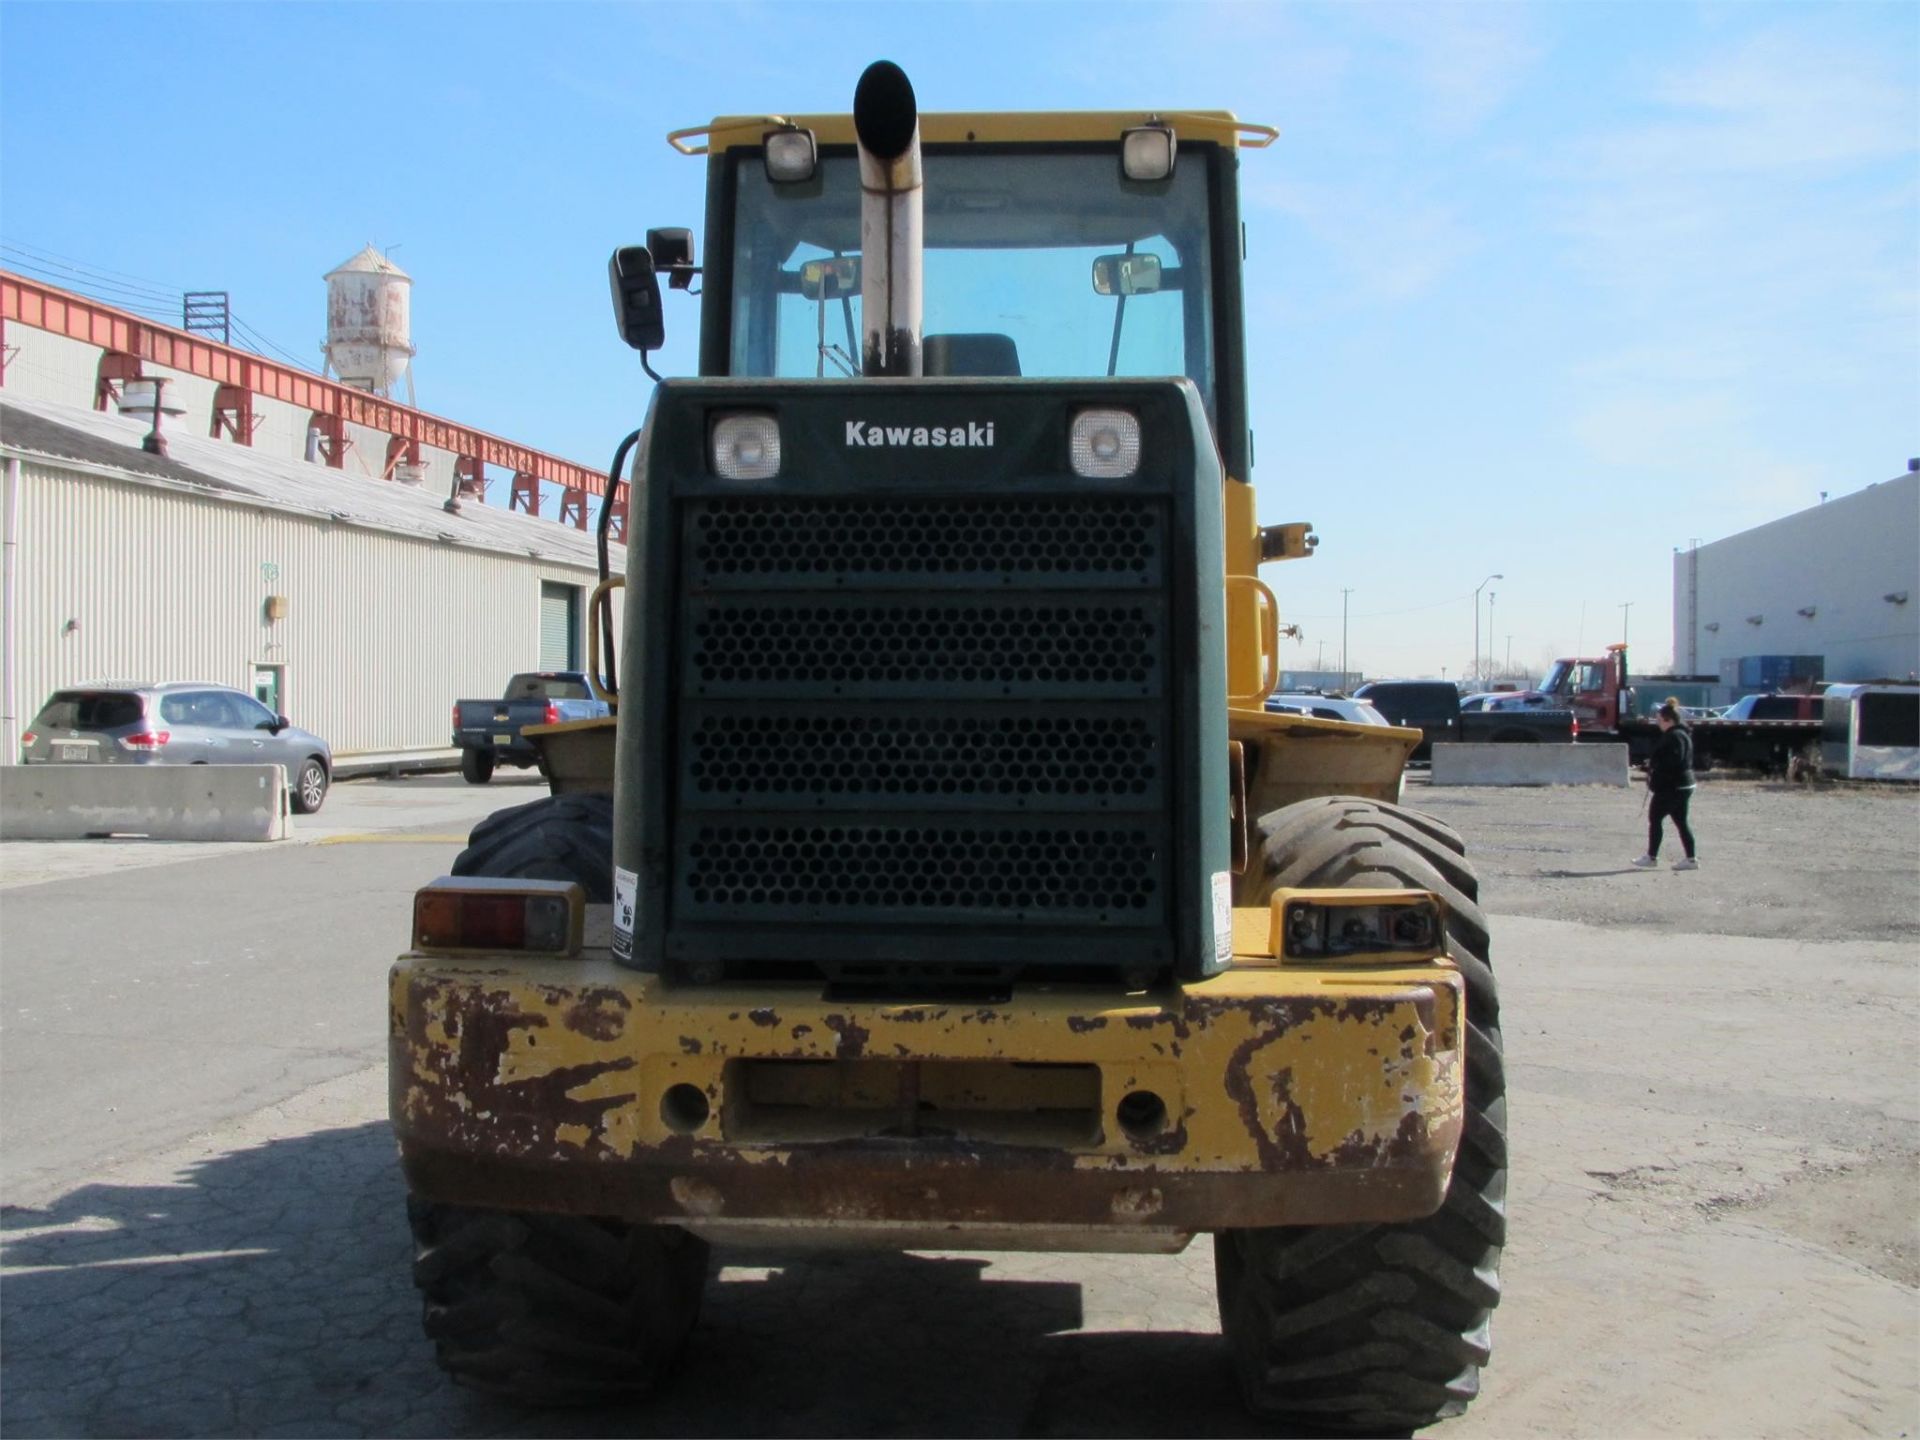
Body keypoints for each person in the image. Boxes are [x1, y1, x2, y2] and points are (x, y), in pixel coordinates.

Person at [1633, 698, 1698, 870]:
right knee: (1681, 822)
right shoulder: (1683, 734)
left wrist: (1654, 766)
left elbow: (1673, 760)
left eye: (1659, 720)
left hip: (1672, 786)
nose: (1658, 724)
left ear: (1668, 720)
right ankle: (1691, 860)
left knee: (1655, 818)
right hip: (1684, 785)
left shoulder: (1674, 736)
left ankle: (1651, 857)